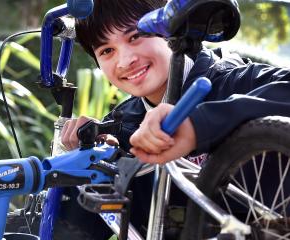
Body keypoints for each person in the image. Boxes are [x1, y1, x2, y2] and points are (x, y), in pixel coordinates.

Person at [60, 0, 290, 239]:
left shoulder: (236, 82)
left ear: (171, 28)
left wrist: (197, 125)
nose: (125, 61)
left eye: (136, 36)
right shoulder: (121, 128)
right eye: (106, 51)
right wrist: (88, 164)